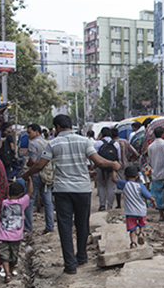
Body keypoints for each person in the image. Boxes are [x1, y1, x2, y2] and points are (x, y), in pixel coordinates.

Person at [22, 114, 121, 275]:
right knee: (82, 224)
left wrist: (26, 175)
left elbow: (40, 165)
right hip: (82, 189)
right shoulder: (84, 141)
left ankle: (70, 264)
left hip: (62, 191)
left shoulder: (53, 143)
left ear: (58, 127)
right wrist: (113, 163)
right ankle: (81, 256)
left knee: (65, 227)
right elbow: (99, 161)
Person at [0, 181, 30, 283]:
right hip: (16, 236)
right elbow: (30, 192)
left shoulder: (3, 203)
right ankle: (10, 273)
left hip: (2, 235)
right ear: (21, 194)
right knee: (13, 256)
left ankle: (7, 273)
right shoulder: (21, 203)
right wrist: (29, 180)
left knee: (4, 256)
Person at [25, 124, 54, 234]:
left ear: (36, 132)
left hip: (36, 175)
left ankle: (28, 227)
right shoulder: (46, 143)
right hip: (46, 175)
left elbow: (32, 160)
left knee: (29, 200)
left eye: (29, 132)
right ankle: (50, 226)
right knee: (47, 201)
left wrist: (27, 166)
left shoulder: (33, 143)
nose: (28, 135)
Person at [116, 165, 152, 248]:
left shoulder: (124, 184)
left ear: (125, 176)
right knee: (142, 224)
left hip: (130, 212)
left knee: (132, 229)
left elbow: (114, 179)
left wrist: (114, 170)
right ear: (137, 176)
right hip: (141, 211)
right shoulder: (140, 185)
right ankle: (141, 233)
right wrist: (153, 201)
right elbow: (148, 196)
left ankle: (133, 243)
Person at [147, 126, 164, 219]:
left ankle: (161, 214)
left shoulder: (150, 146)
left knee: (157, 194)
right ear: (163, 134)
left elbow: (149, 160)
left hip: (155, 172)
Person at [95, 129, 120, 211]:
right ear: (110, 134)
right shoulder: (115, 143)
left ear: (101, 134)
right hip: (112, 168)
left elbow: (95, 157)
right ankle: (110, 206)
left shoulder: (98, 143)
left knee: (101, 185)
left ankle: (102, 204)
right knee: (111, 187)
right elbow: (118, 157)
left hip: (101, 168)